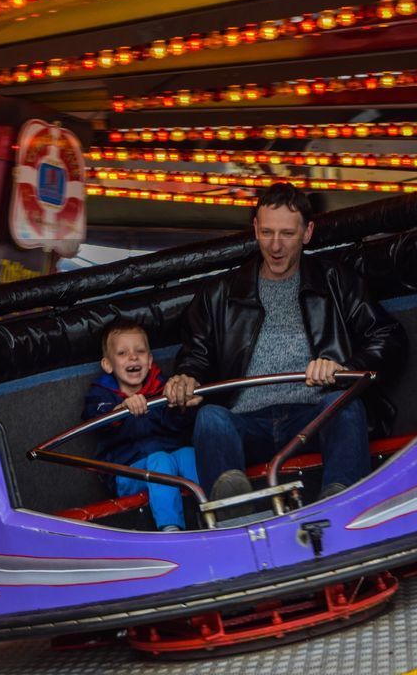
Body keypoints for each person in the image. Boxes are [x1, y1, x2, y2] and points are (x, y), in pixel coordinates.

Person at [163, 183, 403, 504]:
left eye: (287, 234)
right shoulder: (218, 294)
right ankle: (234, 511)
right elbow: (197, 358)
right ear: (255, 230)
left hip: (313, 418)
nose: (275, 246)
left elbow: (389, 337)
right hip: (247, 422)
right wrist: (187, 378)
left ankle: (340, 502)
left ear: (307, 232)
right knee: (211, 419)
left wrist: (344, 369)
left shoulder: (337, 281)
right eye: (267, 233)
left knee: (344, 406)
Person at [82, 319, 199, 531]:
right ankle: (171, 528)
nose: (133, 357)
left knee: (190, 454)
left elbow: (177, 426)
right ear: (108, 364)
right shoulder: (100, 394)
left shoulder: (163, 386)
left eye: (140, 351)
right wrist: (122, 409)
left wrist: (182, 406)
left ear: (150, 359)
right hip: (126, 472)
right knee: (160, 460)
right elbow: (97, 422)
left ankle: (212, 511)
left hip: (170, 459)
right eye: (122, 353)